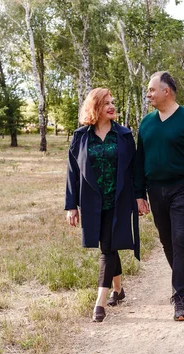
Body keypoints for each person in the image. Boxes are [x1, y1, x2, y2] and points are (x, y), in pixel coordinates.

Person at [134, 71, 184, 321]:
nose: (148, 94)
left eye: (151, 89)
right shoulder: (146, 123)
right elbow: (139, 162)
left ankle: (179, 297)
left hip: (183, 188)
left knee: (180, 240)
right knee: (167, 241)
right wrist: (139, 194)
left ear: (166, 91)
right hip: (155, 190)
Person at [65, 88, 140, 323]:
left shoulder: (124, 135)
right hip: (92, 202)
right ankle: (118, 290)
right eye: (106, 103)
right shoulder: (80, 136)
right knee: (108, 244)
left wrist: (139, 196)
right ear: (95, 107)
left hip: (118, 200)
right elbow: (72, 172)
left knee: (107, 248)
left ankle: (99, 303)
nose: (111, 106)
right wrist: (71, 206)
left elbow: (133, 170)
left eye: (113, 102)